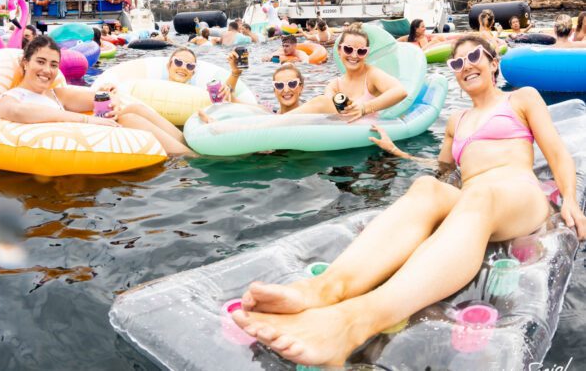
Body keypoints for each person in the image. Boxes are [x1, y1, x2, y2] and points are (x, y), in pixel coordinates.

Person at [231, 34, 586, 366]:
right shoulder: (456, 120)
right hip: (474, 200)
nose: (466, 66)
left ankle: (353, 321)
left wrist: (569, 198)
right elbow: (442, 168)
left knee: (479, 193)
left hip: (517, 194)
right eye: (457, 64)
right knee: (425, 189)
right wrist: (396, 151)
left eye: (474, 57)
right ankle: (324, 289)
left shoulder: (521, 98)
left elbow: (555, 151)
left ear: (493, 63)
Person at [0, 36, 193, 155]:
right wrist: (89, 121)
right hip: (63, 149)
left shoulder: (57, 94)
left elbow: (98, 98)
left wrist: (109, 96)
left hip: (86, 142)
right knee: (128, 117)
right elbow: (19, 112)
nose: (47, 70)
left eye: (54, 65)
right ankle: (190, 158)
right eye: (40, 61)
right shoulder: (10, 98)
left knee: (133, 109)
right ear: (25, 63)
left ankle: (187, 143)